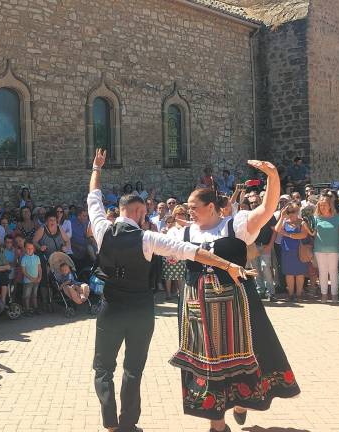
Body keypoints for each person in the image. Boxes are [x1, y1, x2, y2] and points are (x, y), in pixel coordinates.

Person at [89, 149, 252, 432]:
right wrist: (227, 265)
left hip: (111, 308)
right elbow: (192, 252)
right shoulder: (148, 238)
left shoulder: (102, 228)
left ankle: (111, 424)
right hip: (140, 311)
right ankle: (128, 423)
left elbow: (93, 197)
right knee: (133, 369)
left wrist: (97, 168)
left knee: (103, 369)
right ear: (140, 212)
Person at [170, 159, 300, 432]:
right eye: (188, 208)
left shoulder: (236, 226)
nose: (189, 212)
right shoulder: (182, 232)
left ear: (211, 207)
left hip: (239, 306)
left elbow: (267, 209)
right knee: (206, 363)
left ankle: (243, 401)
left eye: (194, 208)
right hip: (198, 309)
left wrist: (272, 176)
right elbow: (163, 251)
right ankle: (217, 424)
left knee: (249, 353)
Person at [275, 203, 312, 302]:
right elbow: (277, 229)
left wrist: (287, 234)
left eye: (293, 212)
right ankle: (291, 295)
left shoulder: (302, 222)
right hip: (286, 251)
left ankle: (299, 295)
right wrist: (282, 217)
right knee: (289, 274)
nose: (291, 214)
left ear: (298, 211)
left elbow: (303, 235)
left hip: (299, 251)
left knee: (300, 273)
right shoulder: (285, 222)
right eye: (289, 212)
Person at [312, 195, 339, 302]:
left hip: (334, 249)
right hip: (319, 249)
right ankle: (324, 295)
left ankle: (334, 294)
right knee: (322, 272)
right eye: (320, 205)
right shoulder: (315, 218)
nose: (322, 207)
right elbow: (312, 234)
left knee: (333, 271)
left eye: (325, 205)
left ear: (330, 205)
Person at [247, 193, 278, 301]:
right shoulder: (247, 215)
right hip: (253, 246)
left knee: (266, 269)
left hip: (265, 246)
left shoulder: (268, 213)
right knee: (256, 270)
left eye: (256, 202)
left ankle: (271, 292)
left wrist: (270, 245)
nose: (254, 204)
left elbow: (275, 231)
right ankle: (260, 291)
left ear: (260, 202)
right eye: (252, 203)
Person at [19, 241, 41, 315]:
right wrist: (31, 278)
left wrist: (40, 277)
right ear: (25, 248)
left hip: (36, 280)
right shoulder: (24, 258)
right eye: (28, 248)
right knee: (26, 296)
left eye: (31, 248)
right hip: (27, 281)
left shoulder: (37, 258)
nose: (29, 250)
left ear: (34, 249)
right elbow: (23, 271)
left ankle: (35, 308)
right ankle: (26, 310)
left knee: (34, 295)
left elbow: (39, 268)